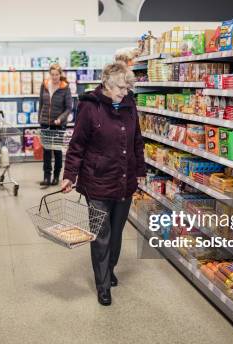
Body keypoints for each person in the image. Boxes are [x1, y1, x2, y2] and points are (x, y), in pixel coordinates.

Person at [61, 62, 145, 306]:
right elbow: (77, 145)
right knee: (101, 234)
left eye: (128, 87)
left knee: (116, 232)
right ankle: (103, 284)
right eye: (121, 87)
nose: (125, 92)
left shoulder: (130, 106)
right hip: (96, 181)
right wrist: (70, 174)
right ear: (107, 83)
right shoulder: (90, 107)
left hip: (124, 179)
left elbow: (136, 141)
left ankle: (110, 267)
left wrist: (139, 170)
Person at [38, 63, 73, 187]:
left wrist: (60, 118)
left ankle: (56, 177)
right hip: (45, 123)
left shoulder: (65, 88)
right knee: (46, 150)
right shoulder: (44, 85)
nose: (54, 77)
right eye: (52, 74)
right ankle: (46, 177)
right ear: (50, 74)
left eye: (57, 74)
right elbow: (41, 103)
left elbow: (69, 108)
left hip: (58, 124)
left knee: (57, 151)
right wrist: (40, 119)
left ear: (60, 74)